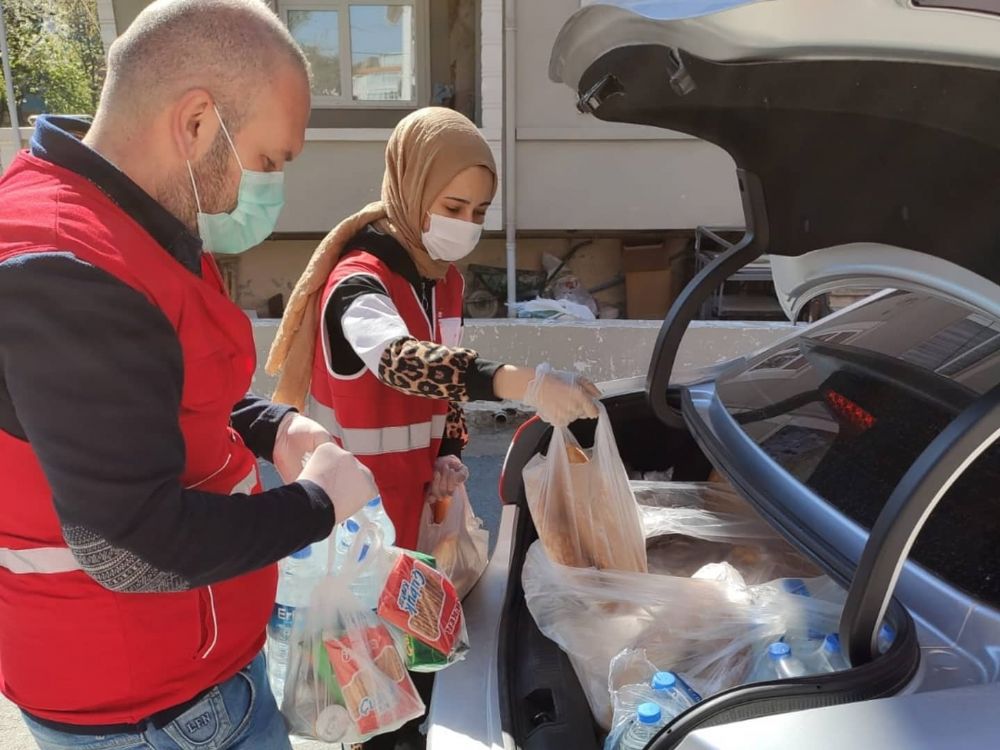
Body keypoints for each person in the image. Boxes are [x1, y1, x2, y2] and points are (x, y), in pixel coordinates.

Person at [0, 1, 377, 749]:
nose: (268, 189)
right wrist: (316, 506)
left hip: (185, 690)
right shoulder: (66, 270)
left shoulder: (123, 223)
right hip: (154, 718)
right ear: (198, 123)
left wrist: (273, 425)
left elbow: (163, 397)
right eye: (270, 161)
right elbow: (127, 546)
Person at [267, 107, 601, 554]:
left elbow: (444, 383)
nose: (466, 224)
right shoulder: (357, 281)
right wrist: (523, 382)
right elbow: (399, 362)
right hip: (353, 525)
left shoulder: (442, 280)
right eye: (452, 207)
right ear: (412, 189)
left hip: (414, 506)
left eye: (479, 211)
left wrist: (448, 451)